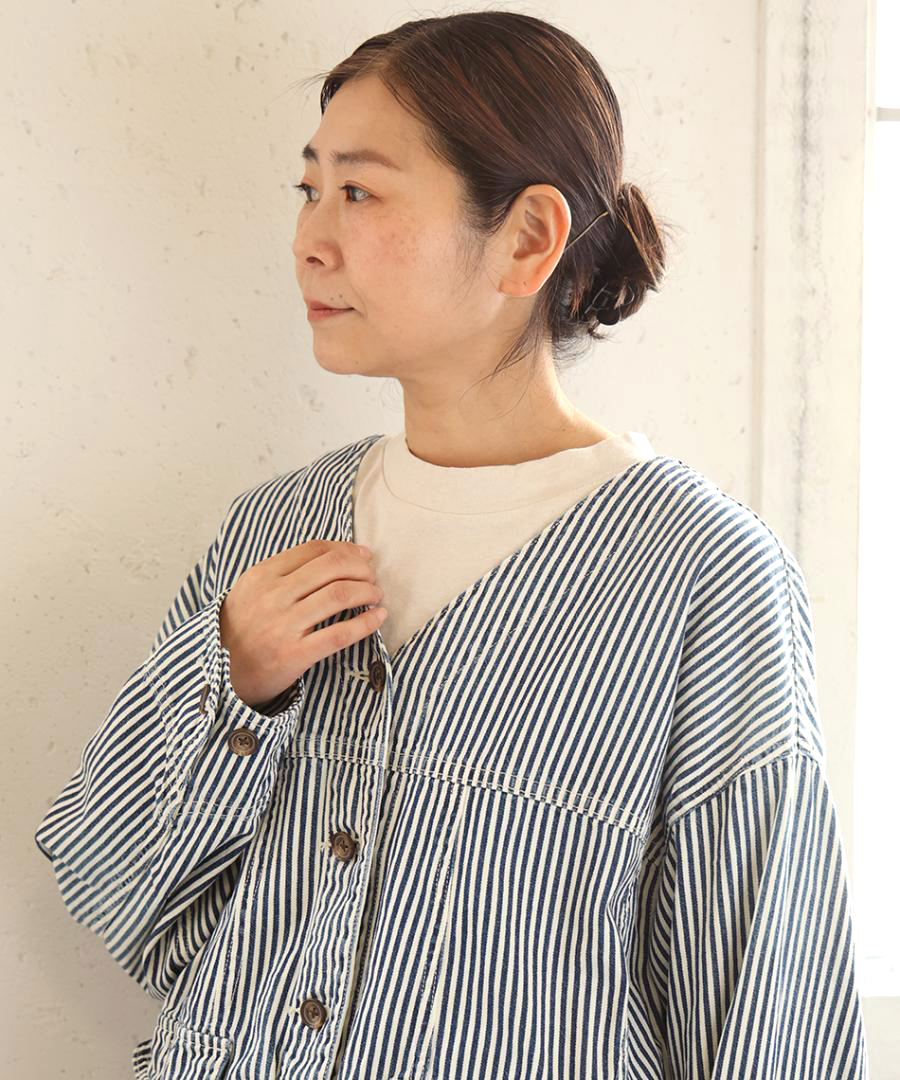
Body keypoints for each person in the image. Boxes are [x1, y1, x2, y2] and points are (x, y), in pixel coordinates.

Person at [34, 11, 869, 1079]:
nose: (309, 238)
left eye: (360, 192)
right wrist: (229, 684)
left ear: (527, 239)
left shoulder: (703, 575)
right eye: (307, 188)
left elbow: (767, 1009)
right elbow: (123, 896)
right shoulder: (273, 526)